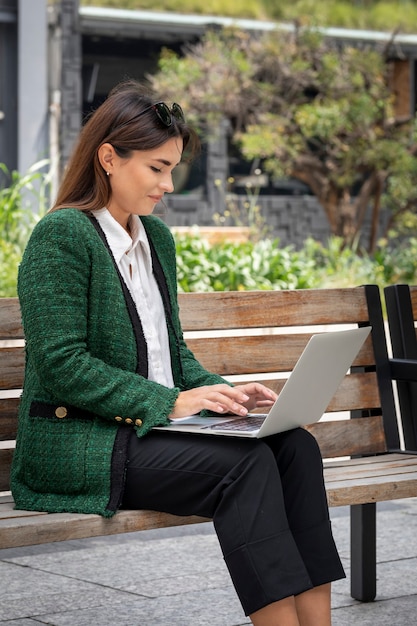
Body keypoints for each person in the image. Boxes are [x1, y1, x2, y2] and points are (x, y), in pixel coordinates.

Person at [11, 79, 345, 625]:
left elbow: (173, 354)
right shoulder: (63, 236)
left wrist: (221, 393)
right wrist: (172, 404)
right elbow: (62, 365)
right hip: (84, 440)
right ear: (109, 158)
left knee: (296, 450)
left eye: (173, 168)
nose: (168, 183)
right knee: (248, 467)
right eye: (157, 168)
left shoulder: (155, 241)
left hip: (148, 431)